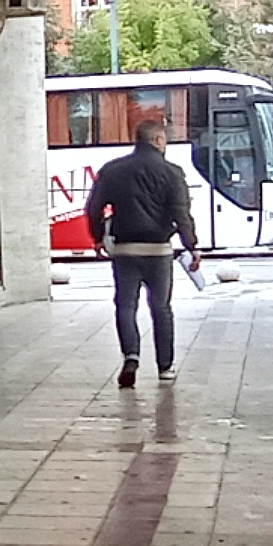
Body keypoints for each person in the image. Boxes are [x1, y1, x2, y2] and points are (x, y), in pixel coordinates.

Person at [83, 112, 199, 389]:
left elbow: (93, 208)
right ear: (158, 139)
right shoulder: (173, 173)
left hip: (125, 250)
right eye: (165, 140)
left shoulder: (113, 170)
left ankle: (131, 357)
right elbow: (181, 213)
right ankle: (165, 367)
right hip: (159, 251)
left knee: (125, 305)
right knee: (161, 308)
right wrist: (191, 246)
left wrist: (98, 238)